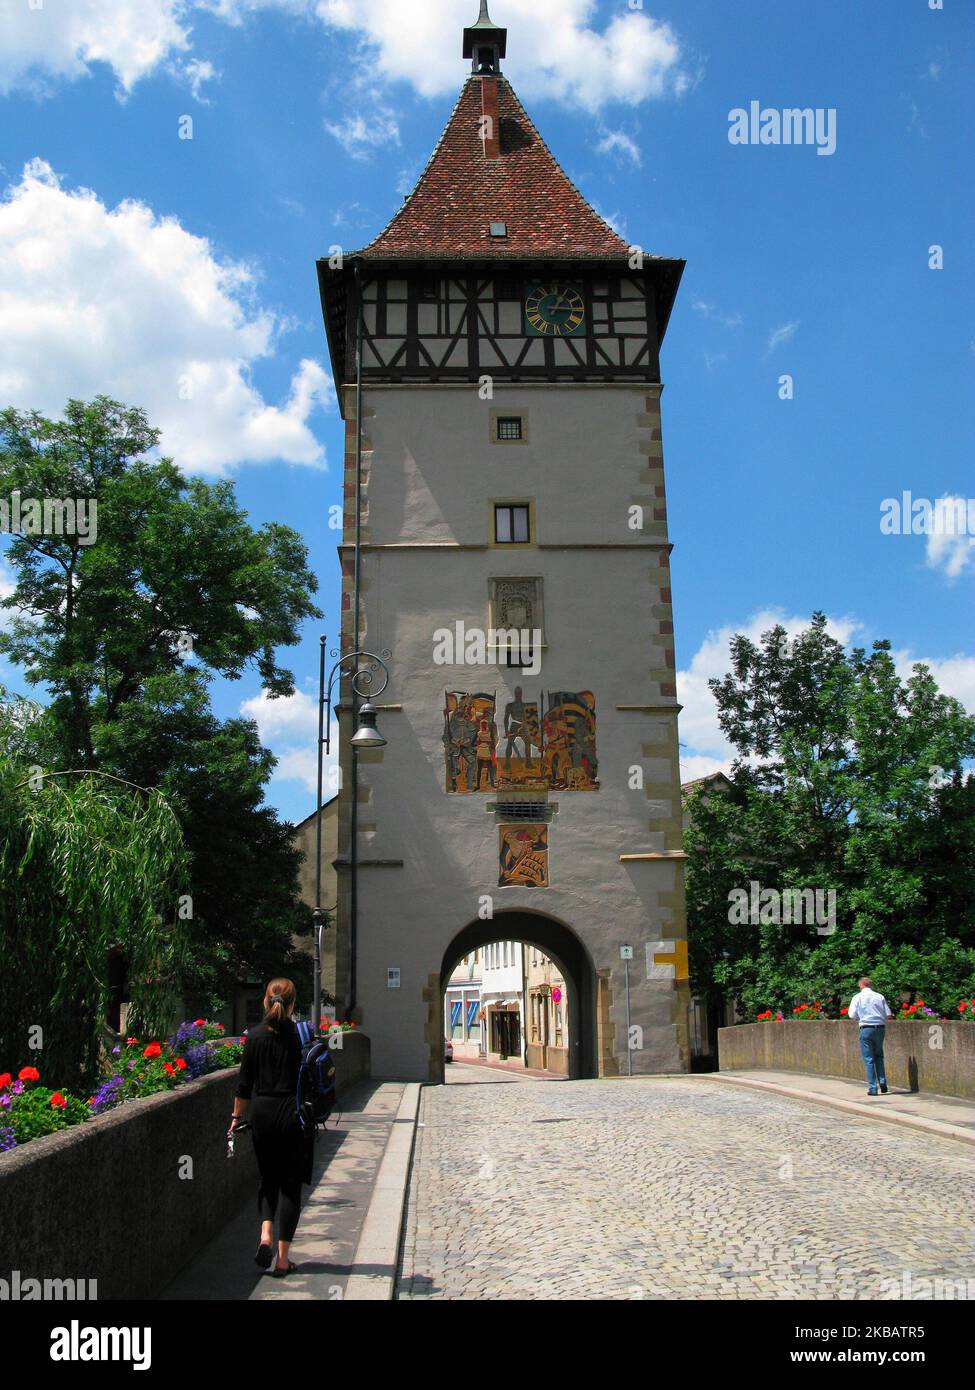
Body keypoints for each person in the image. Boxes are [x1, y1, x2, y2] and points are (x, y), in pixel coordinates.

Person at [229, 978, 313, 1276]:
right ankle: (282, 1258)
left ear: (266, 1001)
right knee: (291, 1186)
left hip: (262, 1113)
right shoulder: (302, 1035)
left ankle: (264, 1234)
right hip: (293, 1114)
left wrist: (237, 1119)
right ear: (292, 1004)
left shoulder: (254, 1036)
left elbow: (244, 1085)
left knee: (268, 1179)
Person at [847, 975, 893, 1096]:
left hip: (866, 1028)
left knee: (869, 1059)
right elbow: (888, 1014)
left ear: (861, 985)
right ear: (870, 985)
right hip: (880, 1028)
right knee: (879, 1055)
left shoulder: (857, 997)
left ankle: (873, 1088)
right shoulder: (879, 996)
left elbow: (852, 1015)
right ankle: (883, 1082)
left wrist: (861, 1016)